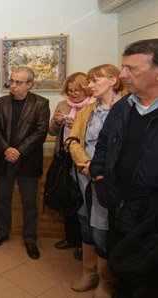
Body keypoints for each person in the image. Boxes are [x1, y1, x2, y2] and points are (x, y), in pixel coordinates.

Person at [90, 38, 158, 297]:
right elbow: (104, 145)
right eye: (123, 67)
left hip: (152, 218)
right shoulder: (123, 107)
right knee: (122, 272)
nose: (123, 75)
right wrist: (99, 176)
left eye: (132, 68)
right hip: (119, 208)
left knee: (148, 282)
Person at [67, 64, 124, 297]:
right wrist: (86, 163)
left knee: (102, 228)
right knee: (85, 223)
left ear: (113, 80)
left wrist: (97, 168)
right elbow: (72, 140)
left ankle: (106, 280)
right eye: (88, 81)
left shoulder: (125, 109)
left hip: (107, 180)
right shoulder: (87, 111)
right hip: (84, 176)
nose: (89, 86)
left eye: (95, 81)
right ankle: (88, 273)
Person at [0, 66, 50, 259]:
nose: (13, 86)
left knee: (30, 202)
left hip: (28, 161)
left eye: (18, 82)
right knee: (3, 200)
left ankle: (30, 239)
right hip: (4, 159)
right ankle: (2, 232)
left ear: (30, 84)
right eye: (12, 81)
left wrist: (18, 151)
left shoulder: (41, 104)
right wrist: (6, 149)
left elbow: (40, 132)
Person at [49, 72, 94, 260]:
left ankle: (86, 245)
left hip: (83, 160)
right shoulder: (62, 105)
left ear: (86, 89)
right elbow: (51, 131)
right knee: (67, 198)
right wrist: (57, 122)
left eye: (78, 90)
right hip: (64, 158)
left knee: (85, 203)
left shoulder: (93, 107)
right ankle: (71, 238)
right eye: (70, 90)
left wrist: (76, 125)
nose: (74, 94)